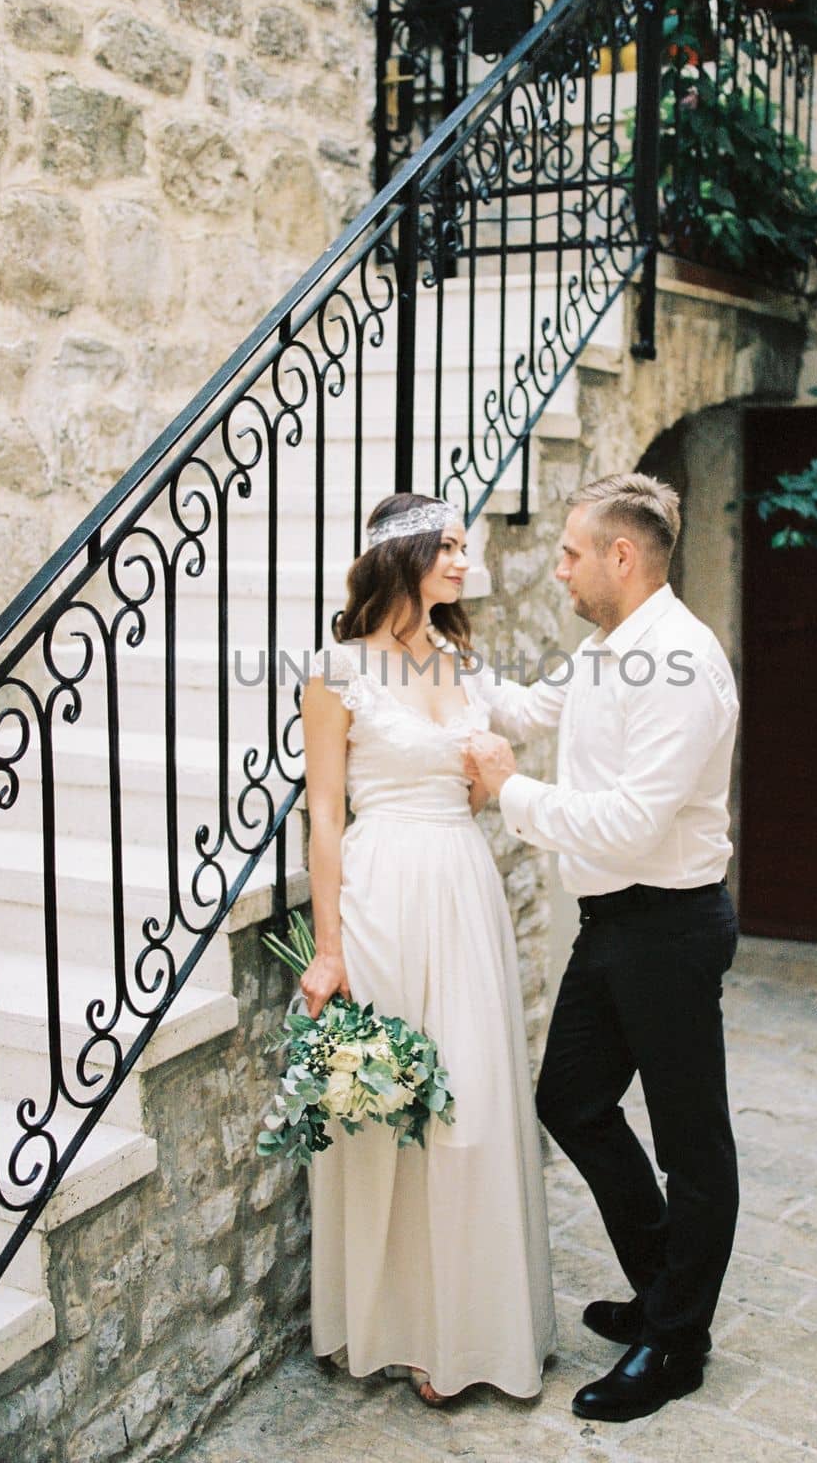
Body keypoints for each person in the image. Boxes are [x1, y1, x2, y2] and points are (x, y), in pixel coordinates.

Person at [466, 471, 740, 1424]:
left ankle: (675, 1343)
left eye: (571, 552)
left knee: (690, 1142)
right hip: (615, 922)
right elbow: (529, 712)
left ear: (622, 556)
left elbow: (626, 825)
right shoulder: (605, 648)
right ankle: (665, 1289)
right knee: (571, 1099)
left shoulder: (683, 662)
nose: (558, 570)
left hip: (667, 923)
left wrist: (507, 794)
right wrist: (427, 656)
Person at [297, 491, 556, 1407]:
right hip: (382, 895)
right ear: (401, 555)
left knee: (472, 1106)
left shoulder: (461, 658)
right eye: (448, 547)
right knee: (394, 1114)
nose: (461, 563)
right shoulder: (335, 672)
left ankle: (471, 1326)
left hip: (463, 887)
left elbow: (486, 768)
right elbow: (324, 817)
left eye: (464, 548)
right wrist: (328, 950)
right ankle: (399, 1325)